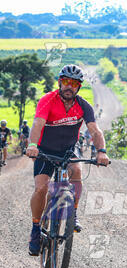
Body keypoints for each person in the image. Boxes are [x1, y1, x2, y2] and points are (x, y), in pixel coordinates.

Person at [26, 64, 110, 256]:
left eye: (73, 83)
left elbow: (95, 130)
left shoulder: (83, 106)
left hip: (67, 150)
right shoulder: (48, 100)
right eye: (65, 82)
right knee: (41, 188)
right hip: (45, 151)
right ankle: (36, 227)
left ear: (78, 87)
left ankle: (73, 212)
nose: (69, 86)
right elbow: (38, 124)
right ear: (59, 82)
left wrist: (101, 151)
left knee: (77, 171)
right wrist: (32, 146)